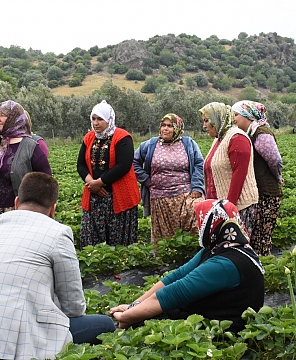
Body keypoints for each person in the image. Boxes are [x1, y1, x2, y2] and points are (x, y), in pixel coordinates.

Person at [0, 172, 116, 360]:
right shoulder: (57, 233)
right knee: (105, 325)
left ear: (17, 203)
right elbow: (73, 307)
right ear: (52, 210)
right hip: (9, 349)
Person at [109, 199, 265, 333]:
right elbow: (177, 276)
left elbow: (174, 294)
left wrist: (125, 317)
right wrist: (134, 305)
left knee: (145, 321)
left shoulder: (225, 264)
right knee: (145, 313)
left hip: (223, 327)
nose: (198, 228)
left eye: (201, 222)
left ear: (212, 225)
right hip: (213, 311)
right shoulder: (220, 247)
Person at [0, 100, 52, 228]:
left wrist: (46, 208)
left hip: (17, 213)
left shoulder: (30, 147)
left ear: (14, 118)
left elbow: (46, 180)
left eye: (2, 115)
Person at [133, 113, 205, 242]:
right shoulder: (150, 145)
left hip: (185, 195)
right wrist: (146, 180)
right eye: (163, 125)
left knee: (196, 224)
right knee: (165, 239)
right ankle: (166, 261)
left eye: (170, 126)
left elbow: (199, 164)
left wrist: (197, 187)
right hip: (160, 198)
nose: (165, 129)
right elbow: (134, 161)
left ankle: (193, 256)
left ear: (177, 128)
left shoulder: (188, 144)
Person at [77, 100, 140, 247]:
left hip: (118, 197)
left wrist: (100, 182)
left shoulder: (123, 137)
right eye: (93, 119)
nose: (96, 123)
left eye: (100, 119)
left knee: (118, 243)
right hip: (94, 196)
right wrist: (91, 182)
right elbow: (80, 164)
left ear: (109, 119)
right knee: (92, 241)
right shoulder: (89, 138)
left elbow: (124, 165)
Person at [232, 101, 283, 256]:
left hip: (267, 193)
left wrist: (277, 176)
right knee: (255, 238)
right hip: (258, 192)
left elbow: (275, 160)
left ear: (248, 116)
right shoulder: (250, 133)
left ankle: (263, 269)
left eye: (236, 115)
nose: (234, 119)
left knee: (261, 238)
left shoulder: (262, 134)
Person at [199, 102, 258, 236]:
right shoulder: (220, 138)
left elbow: (239, 176)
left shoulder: (237, 139)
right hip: (220, 206)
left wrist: (228, 208)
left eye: (207, 121)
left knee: (234, 249)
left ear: (217, 118)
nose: (204, 126)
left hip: (238, 207)